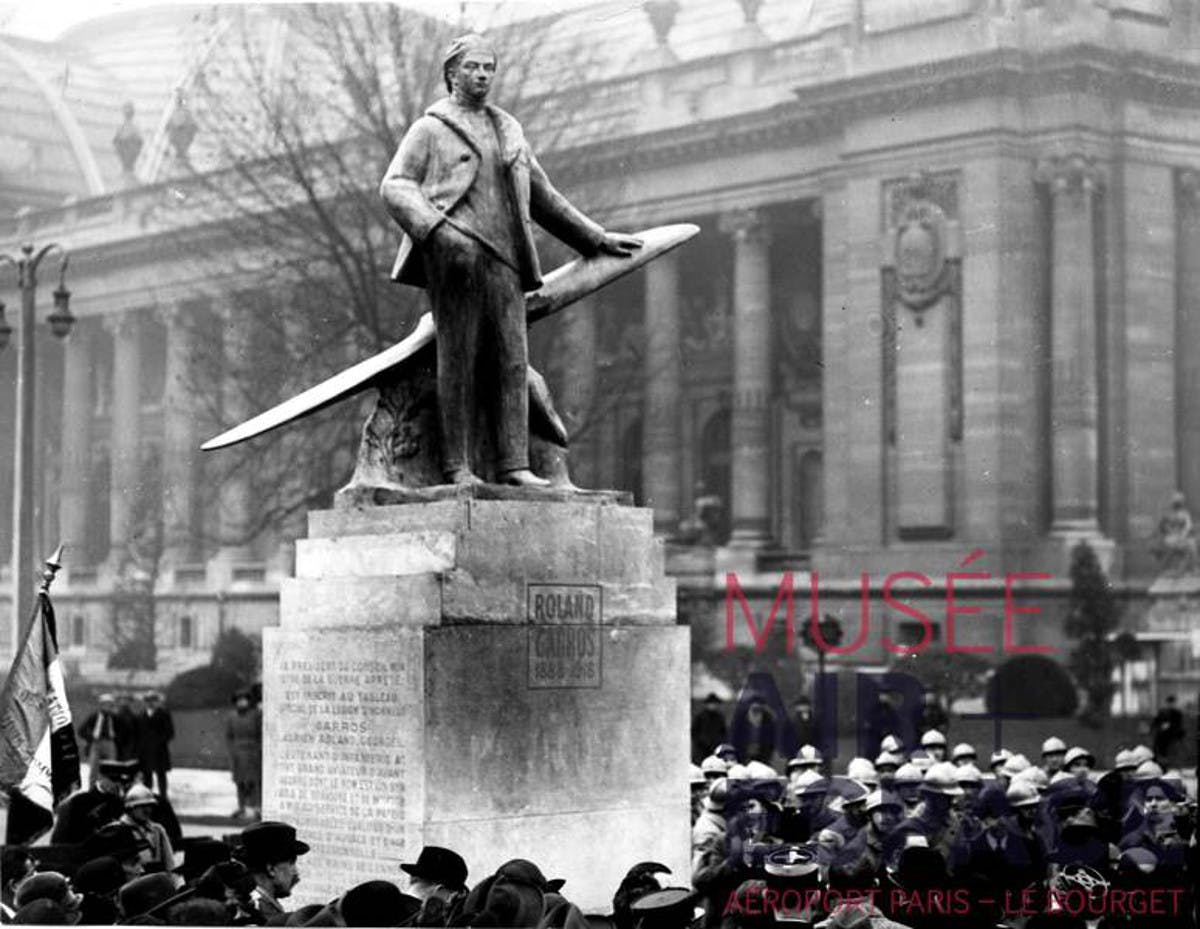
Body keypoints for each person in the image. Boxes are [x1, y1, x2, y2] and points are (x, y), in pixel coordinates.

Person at [380, 33, 641, 487]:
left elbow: (545, 198)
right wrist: (439, 232)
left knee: (511, 361)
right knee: (458, 359)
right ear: (451, 73)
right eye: (472, 67)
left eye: (488, 68)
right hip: (457, 257)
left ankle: (513, 464)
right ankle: (457, 466)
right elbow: (396, 185)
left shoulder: (508, 130)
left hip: (506, 258)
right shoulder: (430, 129)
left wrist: (595, 239)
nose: (481, 75)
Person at [50, 758, 138, 844]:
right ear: (101, 777)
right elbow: (60, 841)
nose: (117, 784)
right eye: (113, 780)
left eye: (121, 782)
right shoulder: (78, 803)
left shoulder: (120, 804)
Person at [238, 820, 309, 924]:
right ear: (271, 869)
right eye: (291, 864)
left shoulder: (253, 903)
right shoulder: (261, 912)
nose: (296, 872)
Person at [226, 687, 263, 821]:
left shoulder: (255, 715)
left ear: (248, 701)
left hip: (253, 752)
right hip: (238, 753)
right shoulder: (231, 717)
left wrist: (258, 749)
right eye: (239, 701)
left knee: (254, 781)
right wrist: (232, 752)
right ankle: (242, 807)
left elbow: (260, 734)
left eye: (244, 700)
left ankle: (256, 808)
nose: (242, 703)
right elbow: (229, 736)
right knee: (240, 782)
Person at [120, 784, 176, 872]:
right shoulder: (118, 831)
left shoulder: (158, 830)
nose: (148, 810)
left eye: (150, 806)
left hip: (157, 878)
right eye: (142, 806)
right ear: (131, 808)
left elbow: (169, 862)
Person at [78, 694, 126, 788]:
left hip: (110, 743)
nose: (107, 707)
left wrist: (117, 740)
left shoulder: (115, 718)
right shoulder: (94, 717)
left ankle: (110, 789)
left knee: (112, 768)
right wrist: (91, 737)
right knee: (94, 769)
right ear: (101, 705)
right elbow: (81, 730)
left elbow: (123, 731)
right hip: (96, 744)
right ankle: (92, 790)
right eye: (105, 704)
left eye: (110, 704)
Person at [136, 691, 175, 798]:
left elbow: (170, 732)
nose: (150, 703)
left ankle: (163, 796)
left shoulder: (164, 714)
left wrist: (159, 741)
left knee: (161, 774)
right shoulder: (141, 715)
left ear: (157, 702)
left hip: (159, 750)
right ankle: (147, 796)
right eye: (148, 701)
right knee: (147, 775)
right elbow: (138, 733)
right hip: (145, 750)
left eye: (153, 700)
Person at [691, 693, 728, 763]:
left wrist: (720, 742)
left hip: (716, 748)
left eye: (714, 704)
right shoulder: (700, 717)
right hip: (701, 749)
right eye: (711, 703)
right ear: (707, 704)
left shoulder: (720, 718)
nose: (713, 706)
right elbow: (694, 732)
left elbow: (724, 733)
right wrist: (700, 741)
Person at [1152, 695, 1184, 765]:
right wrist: (1161, 726)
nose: (1170, 705)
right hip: (1162, 731)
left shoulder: (1177, 713)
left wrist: (1170, 726)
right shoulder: (1162, 712)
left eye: (1172, 703)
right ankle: (1159, 756)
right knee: (1158, 737)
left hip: (1173, 731)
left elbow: (1178, 724)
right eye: (1169, 703)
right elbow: (1156, 721)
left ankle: (1164, 756)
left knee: (1165, 737)